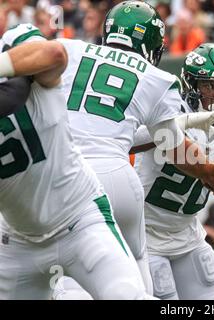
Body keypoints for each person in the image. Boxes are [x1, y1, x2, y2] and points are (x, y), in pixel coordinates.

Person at [4, 2, 214, 298]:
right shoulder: (157, 78)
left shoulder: (69, 46)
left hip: (56, 170)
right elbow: (171, 145)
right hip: (116, 180)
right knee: (131, 277)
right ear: (152, 44)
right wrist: (212, 171)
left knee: (68, 282)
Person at [0, 24, 148, 300]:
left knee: (126, 295)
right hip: (16, 241)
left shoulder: (12, 44)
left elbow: (55, 54)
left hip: (79, 217)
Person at [133, 43, 214, 299]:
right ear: (190, 84)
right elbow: (130, 140)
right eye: (208, 85)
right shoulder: (168, 109)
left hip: (188, 232)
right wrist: (183, 122)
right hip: (145, 232)